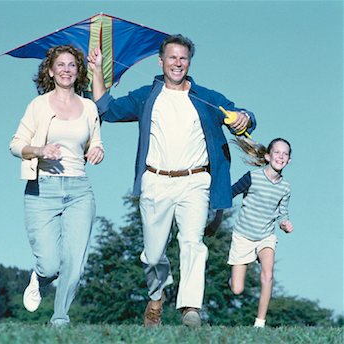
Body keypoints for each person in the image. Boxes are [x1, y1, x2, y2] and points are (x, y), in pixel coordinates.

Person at [88, 34, 256, 327]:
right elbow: (107, 109)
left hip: (195, 182)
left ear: (189, 62)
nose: (177, 63)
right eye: (172, 57)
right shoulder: (146, 96)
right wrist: (97, 70)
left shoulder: (206, 98)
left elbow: (244, 116)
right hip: (156, 181)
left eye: (183, 58)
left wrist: (244, 117)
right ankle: (156, 296)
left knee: (193, 243)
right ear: (161, 60)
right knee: (153, 255)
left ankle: (190, 308)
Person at [9, 45, 104, 327]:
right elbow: (15, 145)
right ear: (50, 71)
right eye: (60, 65)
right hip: (42, 190)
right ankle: (39, 277)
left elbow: (95, 140)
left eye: (72, 65)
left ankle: (60, 318)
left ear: (78, 72)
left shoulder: (89, 106)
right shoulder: (38, 106)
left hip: (79, 190)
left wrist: (98, 150)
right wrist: (40, 150)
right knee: (51, 264)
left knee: (74, 263)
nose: (66, 70)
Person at [228, 137, 293, 328]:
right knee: (237, 289)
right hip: (243, 235)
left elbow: (282, 214)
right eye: (277, 152)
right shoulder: (252, 177)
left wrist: (284, 224)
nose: (281, 156)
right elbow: (229, 193)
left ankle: (260, 323)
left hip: (266, 236)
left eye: (285, 154)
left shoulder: (285, 187)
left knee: (268, 274)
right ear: (268, 156)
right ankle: (232, 278)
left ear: (289, 160)